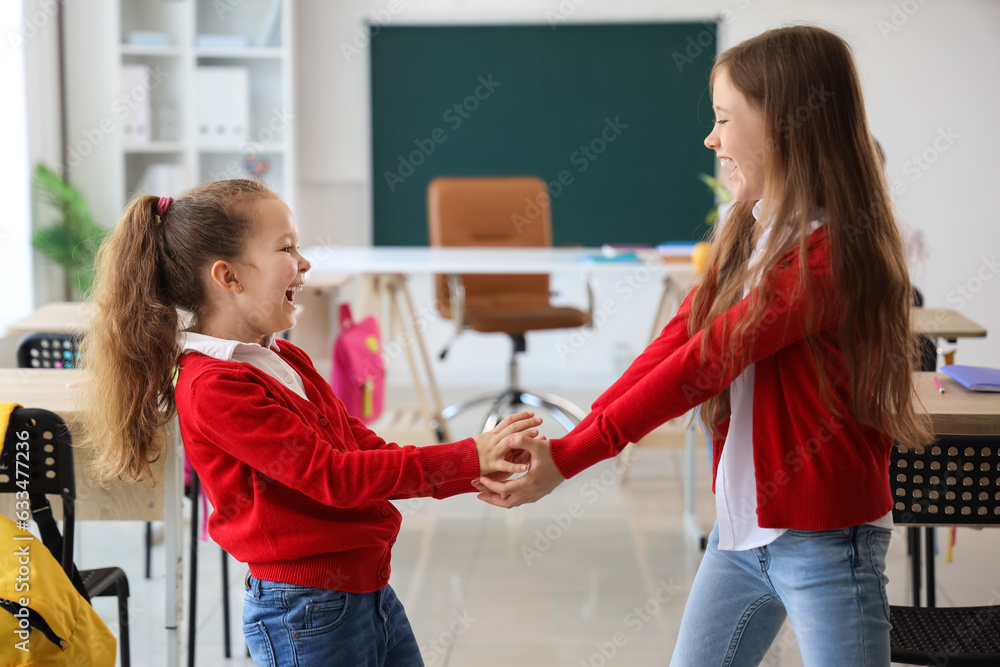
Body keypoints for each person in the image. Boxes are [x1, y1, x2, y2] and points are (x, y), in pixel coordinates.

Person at [473, 25, 932, 666]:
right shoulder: (751, 229)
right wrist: (566, 438)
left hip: (826, 541)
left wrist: (573, 457)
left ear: (784, 126)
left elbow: (706, 363)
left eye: (723, 120)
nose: (711, 139)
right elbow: (672, 344)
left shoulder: (834, 254)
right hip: (741, 532)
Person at [80, 179, 539, 666]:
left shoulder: (283, 357)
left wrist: (472, 467)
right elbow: (332, 476)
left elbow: (358, 445)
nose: (305, 262)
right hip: (306, 609)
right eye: (286, 247)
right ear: (228, 277)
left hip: (365, 588)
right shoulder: (214, 387)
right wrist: (468, 456)